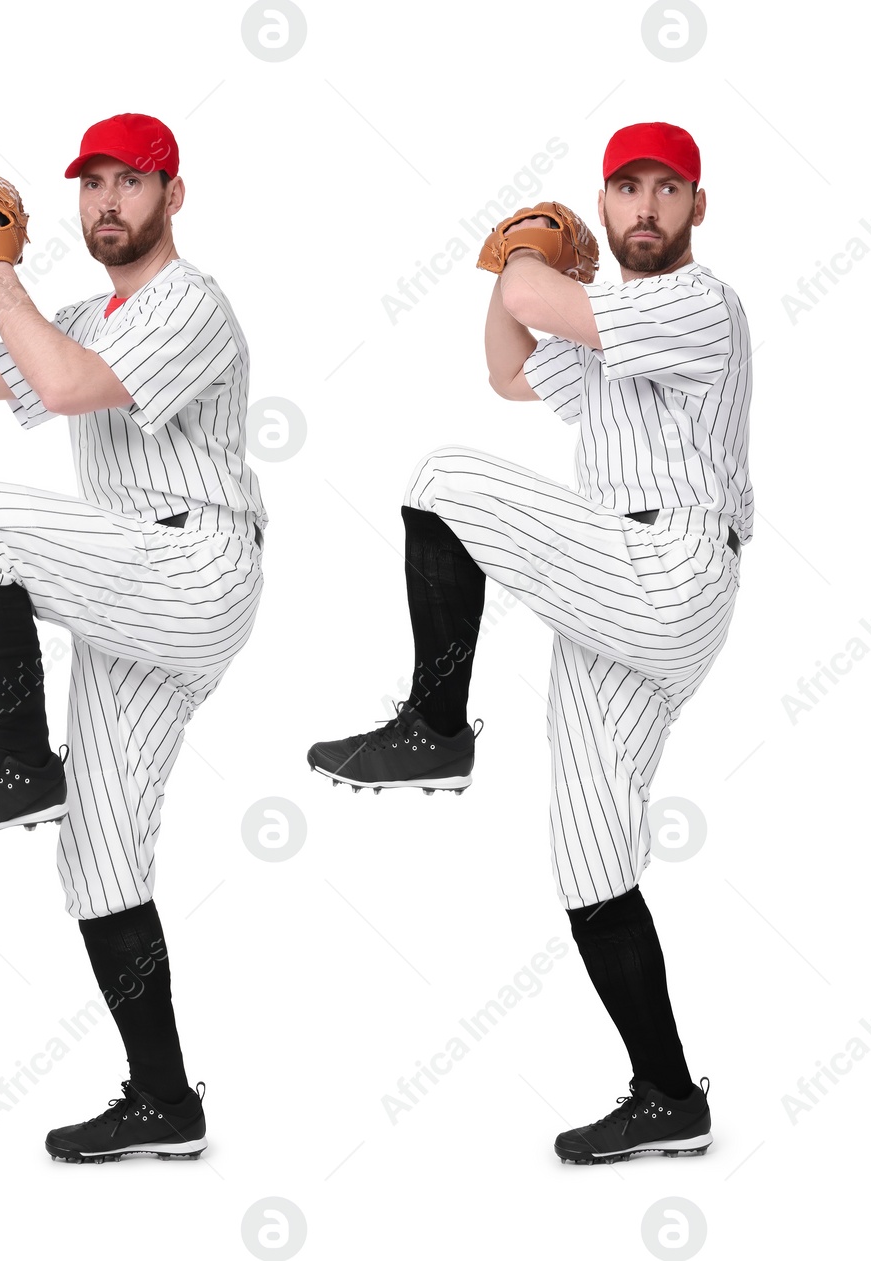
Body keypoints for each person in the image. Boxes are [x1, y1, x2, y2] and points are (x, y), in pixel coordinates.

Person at [307, 121, 748, 1163]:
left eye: (665, 189)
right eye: (624, 189)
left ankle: (434, 725)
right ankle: (666, 1094)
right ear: (606, 208)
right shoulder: (607, 344)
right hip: (612, 596)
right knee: (591, 855)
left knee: (443, 481)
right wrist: (523, 262)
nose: (644, 207)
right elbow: (509, 365)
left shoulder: (697, 302)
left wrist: (525, 252)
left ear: (695, 208)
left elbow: (530, 302)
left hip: (670, 566)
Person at [0, 114, 268, 1162]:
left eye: (131, 182)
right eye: (92, 184)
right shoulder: (76, 311)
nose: (107, 200)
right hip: (125, 585)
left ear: (172, 197)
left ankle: (19, 757)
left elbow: (64, 386)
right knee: (100, 858)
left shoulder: (190, 302)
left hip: (193, 563)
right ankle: (163, 1099)